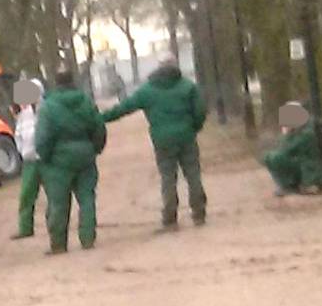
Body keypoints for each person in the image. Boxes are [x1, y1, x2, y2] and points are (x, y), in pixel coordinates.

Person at [102, 52, 207, 232]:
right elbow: (200, 111)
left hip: (162, 140)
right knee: (193, 174)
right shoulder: (188, 87)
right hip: (186, 136)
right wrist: (193, 128)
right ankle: (199, 213)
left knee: (168, 177)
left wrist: (100, 118)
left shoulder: (147, 90)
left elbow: (124, 108)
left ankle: (170, 218)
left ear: (159, 67)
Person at [36, 69, 107, 254]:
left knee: (58, 203)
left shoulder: (48, 107)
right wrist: (94, 149)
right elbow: (99, 127)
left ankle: (59, 244)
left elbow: (43, 138)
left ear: (56, 83)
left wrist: (45, 157)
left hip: (58, 162)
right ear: (72, 81)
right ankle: (88, 239)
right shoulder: (86, 101)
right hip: (85, 156)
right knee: (87, 198)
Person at [263, 101, 322, 197]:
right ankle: (287, 185)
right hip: (302, 166)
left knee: (275, 158)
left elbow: (285, 150)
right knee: (269, 157)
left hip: (310, 171)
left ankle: (292, 185)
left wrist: (286, 135)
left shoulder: (306, 133)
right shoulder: (299, 129)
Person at [11, 79, 45, 240]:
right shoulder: (23, 115)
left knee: (55, 195)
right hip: (30, 162)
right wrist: (23, 153)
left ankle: (56, 226)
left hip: (46, 159)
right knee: (26, 196)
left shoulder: (46, 110)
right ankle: (25, 228)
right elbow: (18, 135)